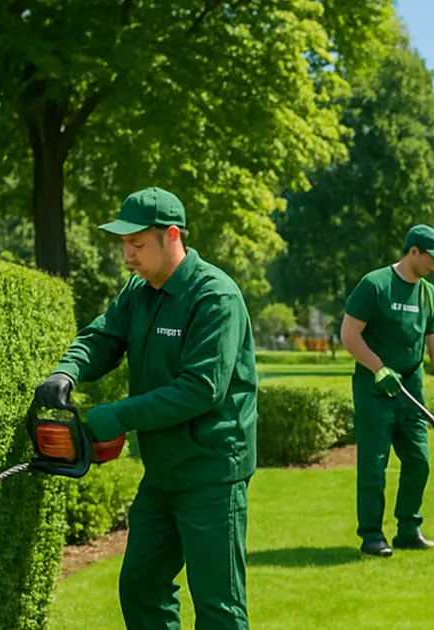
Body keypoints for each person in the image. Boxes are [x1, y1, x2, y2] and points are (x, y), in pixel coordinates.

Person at [32, 187, 259, 629]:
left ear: (171, 235)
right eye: (123, 244)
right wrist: (66, 372)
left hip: (212, 472)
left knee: (218, 605)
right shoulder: (139, 291)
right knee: (141, 586)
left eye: (136, 244)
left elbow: (201, 388)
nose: (127, 255)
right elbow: (103, 337)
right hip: (162, 473)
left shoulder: (215, 297)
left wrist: (115, 415)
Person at [341, 224, 434, 558]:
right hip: (374, 389)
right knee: (374, 466)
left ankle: (409, 529)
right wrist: (378, 368)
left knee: (419, 461)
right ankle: (372, 536)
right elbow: (349, 335)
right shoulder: (374, 285)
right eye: (433, 258)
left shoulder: (429, 294)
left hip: (412, 387)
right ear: (413, 252)